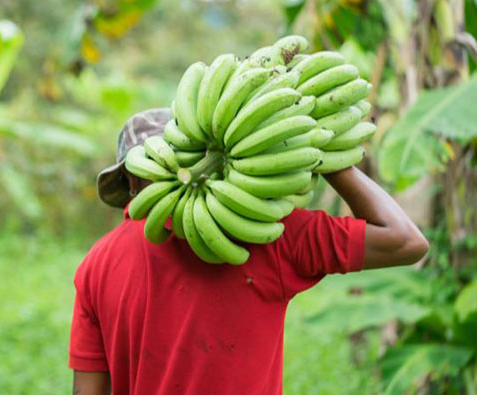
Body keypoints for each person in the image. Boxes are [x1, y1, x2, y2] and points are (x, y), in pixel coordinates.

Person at [68, 108, 429, 395]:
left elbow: (89, 390)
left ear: (129, 182)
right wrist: (325, 155)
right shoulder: (269, 234)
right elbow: (405, 240)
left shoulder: (96, 265)